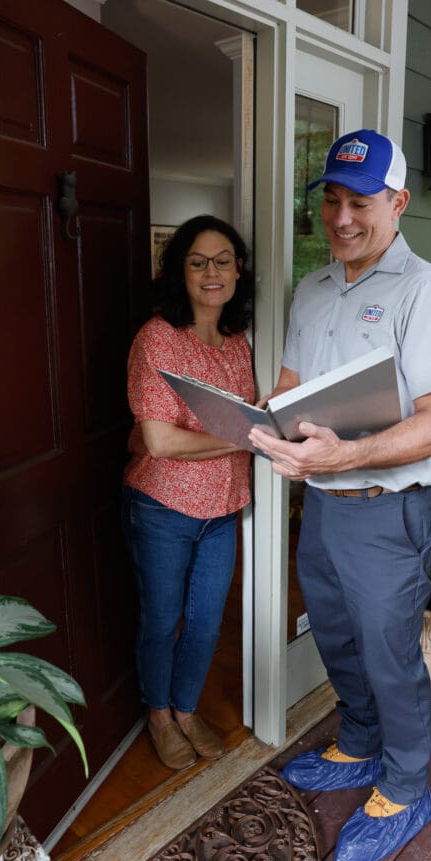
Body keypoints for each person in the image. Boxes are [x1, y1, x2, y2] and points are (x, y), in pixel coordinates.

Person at [248, 130, 431, 861]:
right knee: (336, 634)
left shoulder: (427, 292)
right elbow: (290, 385)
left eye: (361, 203)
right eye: (333, 201)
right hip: (322, 502)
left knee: (387, 652)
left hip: (385, 508)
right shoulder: (314, 288)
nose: (342, 218)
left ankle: (406, 786)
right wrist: (267, 426)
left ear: (397, 203)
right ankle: (359, 741)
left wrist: (346, 454)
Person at [123, 214, 254, 771]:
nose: (211, 272)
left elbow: (252, 419)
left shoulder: (239, 342)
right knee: (161, 620)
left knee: (205, 623)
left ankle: (186, 707)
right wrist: (245, 436)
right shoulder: (157, 339)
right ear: (181, 271)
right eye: (198, 262)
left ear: (238, 270)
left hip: (223, 509)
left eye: (223, 261)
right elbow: (160, 441)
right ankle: (159, 715)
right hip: (163, 508)